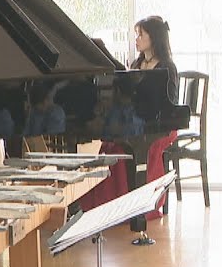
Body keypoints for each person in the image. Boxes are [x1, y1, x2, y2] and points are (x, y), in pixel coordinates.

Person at [77, 16, 181, 232]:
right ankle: (112, 205)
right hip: (138, 123)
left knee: (133, 146)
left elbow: (168, 103)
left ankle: (138, 206)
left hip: (161, 125)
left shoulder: (168, 67)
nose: (137, 39)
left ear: (154, 38)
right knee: (113, 145)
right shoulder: (137, 64)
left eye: (141, 34)